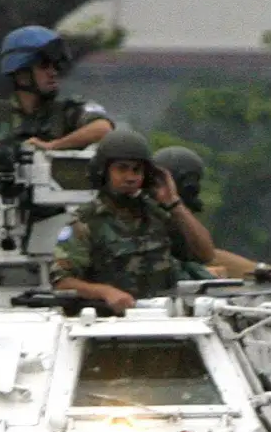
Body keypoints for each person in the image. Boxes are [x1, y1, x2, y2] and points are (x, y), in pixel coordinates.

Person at [50, 129, 215, 311]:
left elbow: (204, 254)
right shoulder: (85, 221)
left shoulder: (158, 215)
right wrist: (105, 292)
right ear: (103, 172)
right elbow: (62, 281)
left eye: (137, 170)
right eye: (122, 168)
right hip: (110, 323)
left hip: (163, 318)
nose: (131, 177)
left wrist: (174, 203)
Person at [0, 26, 114, 154]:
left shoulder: (68, 110)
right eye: (44, 66)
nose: (53, 72)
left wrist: (53, 146)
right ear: (21, 73)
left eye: (55, 65)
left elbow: (103, 128)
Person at [150, 145, 271, 281]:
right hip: (163, 273)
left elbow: (207, 253)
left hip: (190, 262)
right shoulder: (145, 208)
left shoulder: (178, 208)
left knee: (267, 275)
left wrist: (176, 205)